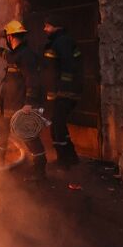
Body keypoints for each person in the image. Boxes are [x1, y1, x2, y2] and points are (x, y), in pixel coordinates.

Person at [0, 20, 47, 180]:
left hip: (20, 105)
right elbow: (9, 57)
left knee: (29, 136)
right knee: (1, 134)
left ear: (10, 37)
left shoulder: (26, 56)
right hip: (8, 106)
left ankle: (39, 171)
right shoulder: (17, 54)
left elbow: (32, 80)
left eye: (6, 38)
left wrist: (29, 102)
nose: (6, 41)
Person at [42, 14, 83, 167]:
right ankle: (70, 158)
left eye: (47, 25)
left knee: (57, 127)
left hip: (65, 93)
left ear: (56, 26)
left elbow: (69, 68)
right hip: (62, 93)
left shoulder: (62, 42)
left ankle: (65, 161)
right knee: (58, 126)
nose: (44, 29)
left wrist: (61, 90)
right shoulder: (58, 42)